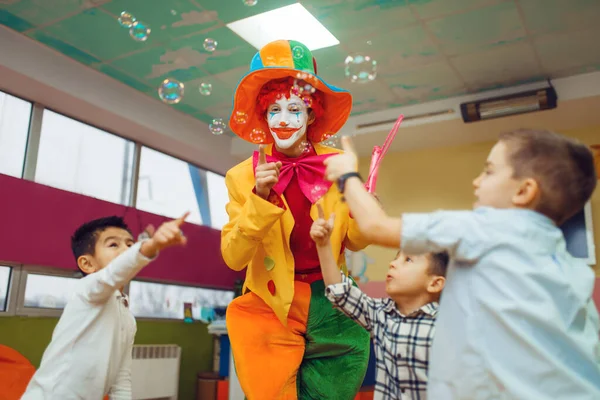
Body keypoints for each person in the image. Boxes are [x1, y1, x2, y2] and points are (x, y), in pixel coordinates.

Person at [323, 129, 600, 399]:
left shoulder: (485, 229)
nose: (476, 182)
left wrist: (348, 176)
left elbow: (375, 226)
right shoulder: (569, 267)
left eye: (489, 171)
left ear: (524, 191)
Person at [221, 39, 372, 399]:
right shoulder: (241, 176)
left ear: (311, 114)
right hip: (268, 306)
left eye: (295, 108)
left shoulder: (337, 163)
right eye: (274, 110)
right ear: (263, 116)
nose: (284, 119)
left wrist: (366, 210)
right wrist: (259, 198)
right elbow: (233, 257)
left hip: (331, 299)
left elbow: (354, 239)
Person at [22, 214, 188, 399]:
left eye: (130, 244)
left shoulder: (127, 318)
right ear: (87, 263)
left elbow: (121, 380)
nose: (126, 249)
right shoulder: (87, 292)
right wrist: (149, 247)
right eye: (113, 245)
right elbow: (109, 276)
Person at [310, 203, 448, 399]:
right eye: (396, 258)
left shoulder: (445, 328)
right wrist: (324, 246)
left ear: (435, 283)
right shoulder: (381, 313)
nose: (392, 263)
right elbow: (340, 292)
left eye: (407, 260)